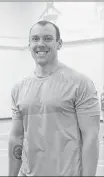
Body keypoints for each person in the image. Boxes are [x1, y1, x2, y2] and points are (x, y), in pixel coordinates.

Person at [8, 20, 100, 176]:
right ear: (29, 44)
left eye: (48, 38)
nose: (40, 44)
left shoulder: (80, 84)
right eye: (35, 39)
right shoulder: (19, 88)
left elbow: (90, 137)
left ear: (59, 43)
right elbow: (16, 137)